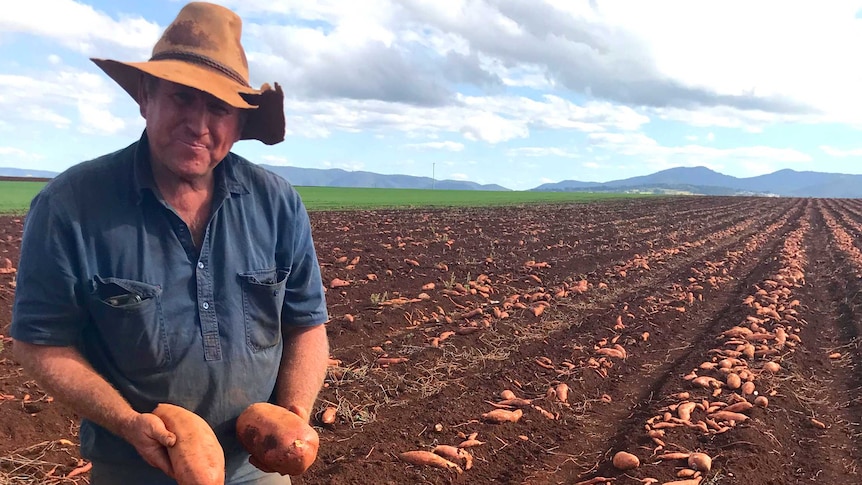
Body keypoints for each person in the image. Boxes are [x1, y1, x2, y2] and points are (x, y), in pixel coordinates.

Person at [10, 2, 330, 484]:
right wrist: (127, 422)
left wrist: (290, 418)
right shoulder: (71, 206)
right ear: (146, 97)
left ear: (240, 124)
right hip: (135, 467)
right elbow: (40, 343)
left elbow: (306, 325)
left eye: (219, 108)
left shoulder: (277, 203)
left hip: (254, 467)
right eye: (183, 98)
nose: (199, 125)